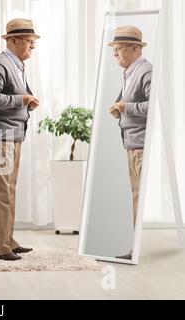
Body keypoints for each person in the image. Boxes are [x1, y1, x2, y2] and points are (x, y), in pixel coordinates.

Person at [0, 18, 40, 261]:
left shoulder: (17, 65)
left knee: (8, 192)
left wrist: (28, 100)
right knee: (0, 194)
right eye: (29, 41)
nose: (33, 46)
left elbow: (15, 93)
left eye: (33, 41)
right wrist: (21, 101)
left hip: (11, 136)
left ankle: (8, 239)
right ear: (13, 41)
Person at [108, 26, 152, 261]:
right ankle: (136, 248)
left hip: (141, 143)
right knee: (136, 194)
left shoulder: (145, 71)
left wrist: (125, 108)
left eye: (118, 48)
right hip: (132, 142)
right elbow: (136, 103)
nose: (115, 53)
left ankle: (137, 249)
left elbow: (151, 107)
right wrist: (120, 109)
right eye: (114, 49)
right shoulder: (130, 72)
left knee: (139, 196)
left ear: (135, 48)